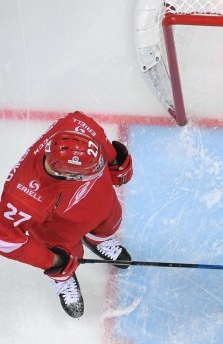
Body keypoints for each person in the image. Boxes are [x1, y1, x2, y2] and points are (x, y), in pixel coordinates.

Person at [1, 111, 134, 318]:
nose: (100, 168)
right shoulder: (21, 197)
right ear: (67, 174)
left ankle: (98, 239)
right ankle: (63, 277)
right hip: (58, 226)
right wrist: (52, 261)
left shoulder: (76, 124)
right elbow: (6, 240)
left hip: (98, 196)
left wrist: (116, 162)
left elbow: (103, 149)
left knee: (110, 218)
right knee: (66, 253)